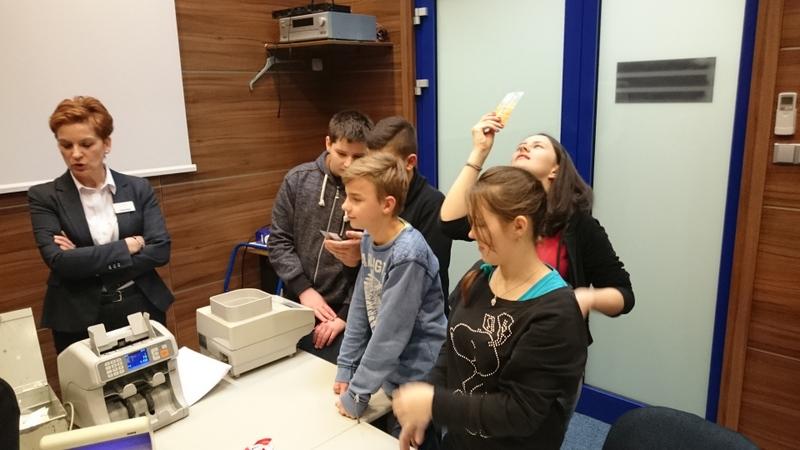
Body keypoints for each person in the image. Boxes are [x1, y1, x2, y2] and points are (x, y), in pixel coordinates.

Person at [392, 166, 588, 450]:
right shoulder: (481, 274)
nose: (472, 234)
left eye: (481, 224)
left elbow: (520, 412)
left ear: (519, 226)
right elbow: (452, 348)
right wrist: (427, 398)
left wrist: (434, 403)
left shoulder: (556, 312)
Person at [440, 113, 634, 323]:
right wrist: (480, 151)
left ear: (556, 169)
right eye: (521, 146)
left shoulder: (579, 224)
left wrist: (584, 298)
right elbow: (451, 224)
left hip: (553, 332)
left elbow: (623, 294)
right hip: (498, 330)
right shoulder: (502, 212)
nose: (524, 148)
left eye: (537, 146)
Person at [28, 96, 173, 354]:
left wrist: (85, 261)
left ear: (106, 143)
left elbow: (160, 250)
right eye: (66, 145)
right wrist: (128, 246)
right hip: (77, 314)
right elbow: (60, 262)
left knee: (154, 374)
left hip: (140, 302)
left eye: (86, 144)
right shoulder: (45, 196)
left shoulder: (138, 188)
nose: (75, 154)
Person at [332, 153, 446, 436]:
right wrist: (346, 366)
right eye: (347, 196)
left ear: (387, 204)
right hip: (391, 374)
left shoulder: (408, 254)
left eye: (356, 199)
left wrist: (358, 392)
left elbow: (390, 332)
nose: (346, 206)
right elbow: (361, 304)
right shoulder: (370, 236)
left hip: (419, 377)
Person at [268, 110, 373, 362]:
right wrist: (303, 290)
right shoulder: (297, 181)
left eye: (358, 157)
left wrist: (346, 315)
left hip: (345, 310)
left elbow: (376, 265)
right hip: (298, 300)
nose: (349, 164)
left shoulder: (372, 192)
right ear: (327, 143)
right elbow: (279, 241)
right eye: (341, 154)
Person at [324, 116, 452, 308]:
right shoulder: (368, 196)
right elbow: (364, 288)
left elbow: (422, 281)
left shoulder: (432, 204)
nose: (375, 172)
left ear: (410, 162)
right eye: (370, 162)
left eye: (385, 165)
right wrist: (354, 260)